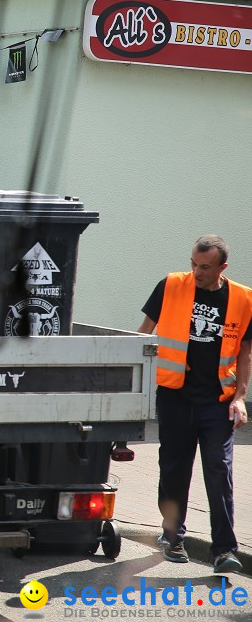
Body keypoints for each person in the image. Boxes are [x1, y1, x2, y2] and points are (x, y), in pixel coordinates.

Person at [137, 235, 252, 574]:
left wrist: (241, 397)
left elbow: (245, 352)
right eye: (193, 264)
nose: (196, 272)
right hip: (174, 397)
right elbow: (144, 334)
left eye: (204, 267)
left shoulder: (244, 299)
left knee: (219, 470)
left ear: (222, 267)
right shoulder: (171, 285)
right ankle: (172, 536)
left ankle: (224, 550)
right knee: (174, 469)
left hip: (217, 402)